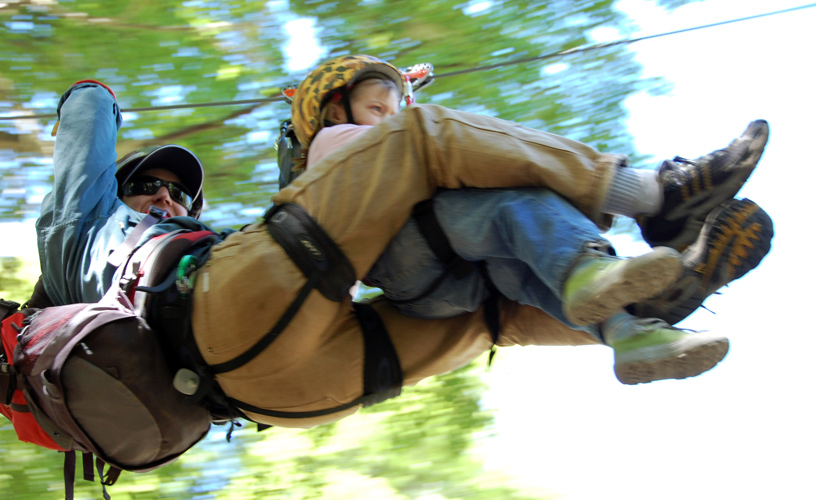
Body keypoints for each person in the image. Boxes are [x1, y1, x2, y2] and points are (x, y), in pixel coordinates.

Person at [38, 56, 765, 431]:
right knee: (420, 136)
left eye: (178, 193)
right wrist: (90, 95)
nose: (166, 199)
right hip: (225, 326)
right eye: (149, 189)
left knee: (489, 309)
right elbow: (84, 142)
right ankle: (661, 199)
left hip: (285, 389)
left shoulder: (195, 248)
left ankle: (649, 315)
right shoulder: (81, 237)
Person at [286, 55, 773, 382]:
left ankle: (630, 334)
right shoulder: (335, 145)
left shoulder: (350, 157)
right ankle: (656, 203)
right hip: (407, 244)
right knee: (520, 203)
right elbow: (426, 156)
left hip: (437, 292)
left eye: (395, 109)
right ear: (333, 112)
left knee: (525, 273)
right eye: (378, 107)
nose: (391, 117)